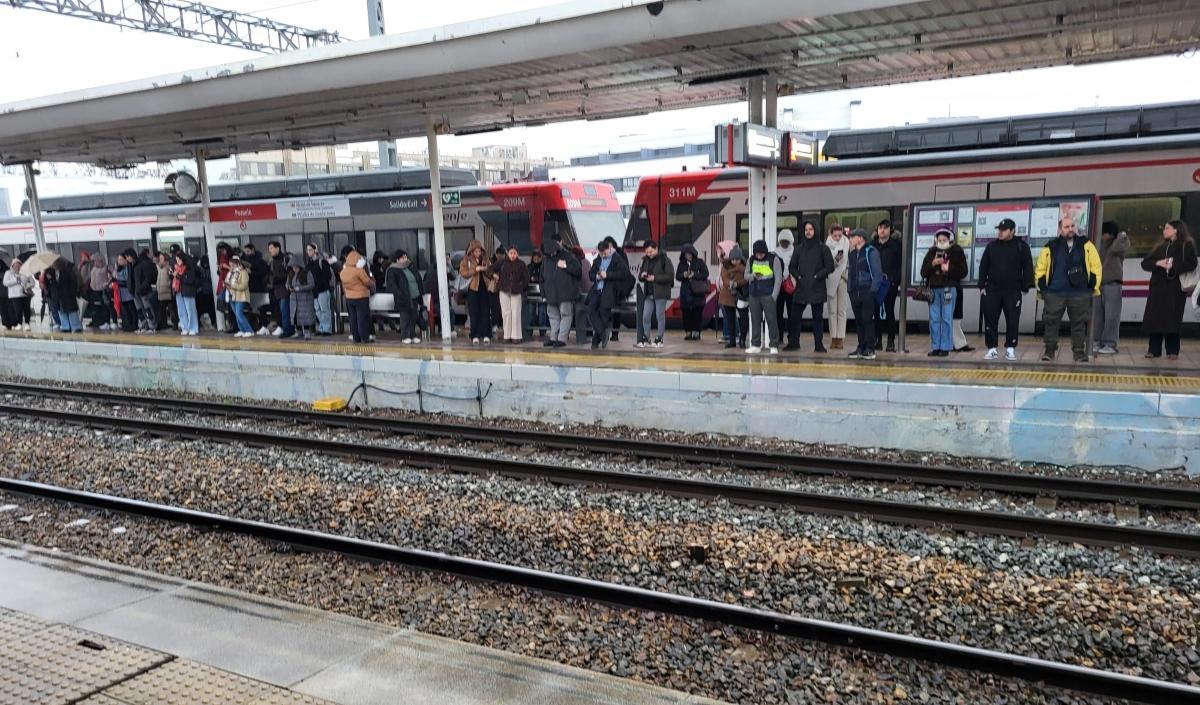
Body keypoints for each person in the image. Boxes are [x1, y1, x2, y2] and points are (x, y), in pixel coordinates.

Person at [1034, 216, 1102, 362]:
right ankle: (1049, 351)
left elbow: (1096, 266)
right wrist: (1044, 289)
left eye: (1072, 226)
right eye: (1066, 227)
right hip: (1054, 293)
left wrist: (1092, 286)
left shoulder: (1086, 245)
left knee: (1079, 324)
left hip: (1079, 293)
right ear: (1060, 229)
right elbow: (1040, 268)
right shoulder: (1050, 246)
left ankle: (1079, 353)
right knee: (1051, 323)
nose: (1070, 229)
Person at [977, 218, 1034, 361]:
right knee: (990, 320)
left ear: (1012, 231)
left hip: (1013, 291)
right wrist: (981, 286)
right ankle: (991, 349)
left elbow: (1028, 267)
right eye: (999, 229)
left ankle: (1010, 348)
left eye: (1004, 230)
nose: (1000, 232)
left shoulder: (1021, 246)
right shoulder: (992, 246)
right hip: (992, 290)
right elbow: (983, 266)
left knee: (1013, 320)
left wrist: (1025, 286)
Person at [1141, 220, 1198, 359]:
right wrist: (1158, 263)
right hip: (1158, 288)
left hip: (1175, 288)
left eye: (1167, 228)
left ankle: (1172, 350)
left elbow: (1192, 264)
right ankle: (1154, 349)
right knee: (1155, 318)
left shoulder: (1186, 245)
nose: (1164, 231)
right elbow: (1145, 263)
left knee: (1172, 319)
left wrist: (1174, 266)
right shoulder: (1161, 246)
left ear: (1176, 230)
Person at [787, 222, 835, 352]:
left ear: (816, 230)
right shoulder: (799, 248)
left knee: (817, 318)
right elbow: (792, 267)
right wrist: (798, 277)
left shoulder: (823, 248)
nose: (808, 232)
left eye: (811, 229)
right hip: (801, 287)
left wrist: (817, 276)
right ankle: (794, 342)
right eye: (806, 229)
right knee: (795, 317)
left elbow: (830, 266)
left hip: (817, 287)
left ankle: (818, 345)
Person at [920, 229, 968, 357]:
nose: (941, 242)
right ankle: (935, 346)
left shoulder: (957, 251)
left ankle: (946, 347)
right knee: (934, 318)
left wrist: (949, 268)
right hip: (933, 289)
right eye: (939, 240)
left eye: (944, 240)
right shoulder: (932, 252)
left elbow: (963, 271)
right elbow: (923, 272)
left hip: (949, 288)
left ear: (950, 240)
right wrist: (932, 264)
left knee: (947, 318)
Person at [587, 238, 633, 349]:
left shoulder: (617, 258)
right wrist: (597, 276)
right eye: (600, 253)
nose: (603, 255)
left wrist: (607, 275)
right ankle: (602, 334)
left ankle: (595, 341)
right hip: (597, 289)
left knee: (604, 315)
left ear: (609, 248)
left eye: (604, 253)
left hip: (610, 290)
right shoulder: (598, 259)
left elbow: (624, 273)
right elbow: (591, 274)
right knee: (590, 310)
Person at [1093, 221, 1129, 355]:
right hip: (1099, 284)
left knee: (1111, 315)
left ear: (1109, 233)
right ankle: (1096, 341)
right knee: (1097, 316)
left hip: (1113, 283)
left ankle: (1110, 344)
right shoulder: (1101, 244)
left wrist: (1121, 235)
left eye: (1104, 233)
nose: (1102, 236)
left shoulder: (1120, 242)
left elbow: (1115, 249)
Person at [846, 228, 882, 360]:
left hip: (867, 291)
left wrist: (872, 291)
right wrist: (850, 289)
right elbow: (850, 272)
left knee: (867, 320)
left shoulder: (871, 251)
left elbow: (877, 273)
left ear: (861, 238)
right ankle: (861, 347)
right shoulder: (852, 254)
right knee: (859, 321)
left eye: (853, 237)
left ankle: (870, 348)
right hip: (855, 291)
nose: (850, 239)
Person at [541, 234, 581, 348]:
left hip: (565, 293)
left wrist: (565, 266)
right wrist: (543, 293)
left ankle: (562, 339)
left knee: (565, 315)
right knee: (553, 316)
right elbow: (542, 278)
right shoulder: (546, 259)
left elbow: (578, 271)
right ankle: (554, 338)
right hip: (551, 293)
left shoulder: (568, 256)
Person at [870, 219, 903, 352]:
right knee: (875, 313)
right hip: (875, 283)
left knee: (889, 312)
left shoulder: (896, 245)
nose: (882, 230)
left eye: (885, 227)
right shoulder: (872, 245)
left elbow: (900, 265)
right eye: (880, 228)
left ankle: (890, 341)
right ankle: (877, 339)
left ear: (890, 230)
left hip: (890, 284)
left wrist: (895, 281)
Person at [744, 240, 782, 354]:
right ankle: (755, 344)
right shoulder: (750, 260)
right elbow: (745, 275)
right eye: (757, 254)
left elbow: (778, 278)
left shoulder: (773, 259)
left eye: (761, 253)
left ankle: (774, 344)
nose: (759, 256)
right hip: (754, 294)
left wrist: (774, 296)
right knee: (755, 320)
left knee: (771, 320)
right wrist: (752, 276)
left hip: (768, 294)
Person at [635, 240, 673, 348]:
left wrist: (655, 278)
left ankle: (659, 338)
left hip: (661, 292)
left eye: (651, 252)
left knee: (659, 316)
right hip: (649, 292)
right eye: (647, 252)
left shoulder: (665, 260)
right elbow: (640, 276)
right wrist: (642, 275)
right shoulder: (645, 260)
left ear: (656, 249)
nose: (649, 254)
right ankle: (646, 338)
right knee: (645, 316)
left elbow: (670, 276)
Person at [458, 240, 494, 344]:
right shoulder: (466, 259)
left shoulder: (486, 258)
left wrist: (485, 269)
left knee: (485, 312)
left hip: (484, 288)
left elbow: (491, 270)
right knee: (474, 313)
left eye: (479, 251)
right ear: (471, 251)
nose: (478, 253)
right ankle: (475, 335)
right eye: (476, 251)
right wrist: (475, 270)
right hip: (472, 289)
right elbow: (463, 272)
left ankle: (486, 334)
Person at [385, 250, 424, 344]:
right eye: (403, 257)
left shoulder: (410, 267)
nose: (405, 259)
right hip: (403, 297)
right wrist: (399, 294)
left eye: (406, 257)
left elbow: (418, 279)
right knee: (405, 317)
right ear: (397, 260)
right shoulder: (392, 270)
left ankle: (412, 335)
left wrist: (421, 292)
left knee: (413, 316)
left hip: (414, 296)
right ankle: (405, 336)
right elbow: (392, 285)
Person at [494, 245, 528, 344]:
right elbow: (490, 269)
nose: (512, 255)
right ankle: (507, 335)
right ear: (507, 253)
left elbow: (526, 278)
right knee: (506, 313)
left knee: (516, 313)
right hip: (504, 290)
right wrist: (494, 275)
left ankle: (516, 336)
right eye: (511, 253)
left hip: (516, 291)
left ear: (517, 254)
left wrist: (520, 286)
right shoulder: (502, 262)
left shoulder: (521, 264)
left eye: (514, 253)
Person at [340, 249, 374, 344]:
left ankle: (356, 338)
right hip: (361, 297)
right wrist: (372, 282)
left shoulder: (343, 271)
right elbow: (367, 282)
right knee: (362, 318)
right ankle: (364, 338)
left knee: (353, 318)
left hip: (349, 297)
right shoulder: (359, 271)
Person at [675, 244, 709, 341]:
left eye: (690, 254)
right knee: (686, 313)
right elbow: (677, 276)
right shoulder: (681, 264)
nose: (688, 256)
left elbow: (705, 274)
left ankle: (696, 332)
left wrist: (694, 275)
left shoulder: (700, 262)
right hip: (685, 292)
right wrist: (683, 275)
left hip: (697, 292)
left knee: (697, 312)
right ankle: (688, 332)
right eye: (686, 254)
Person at [825, 224, 850, 350]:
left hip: (843, 279)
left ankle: (840, 338)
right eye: (835, 235)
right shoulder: (826, 246)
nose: (838, 238)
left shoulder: (847, 243)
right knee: (832, 311)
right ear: (831, 234)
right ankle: (833, 338)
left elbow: (848, 260)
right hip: (831, 279)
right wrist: (836, 259)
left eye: (840, 235)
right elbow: (828, 262)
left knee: (842, 311)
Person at [718, 243, 748, 349]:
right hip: (727, 295)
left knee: (744, 318)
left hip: (741, 295)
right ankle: (732, 340)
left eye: (737, 259)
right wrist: (730, 283)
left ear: (741, 259)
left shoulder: (745, 267)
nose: (735, 261)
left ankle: (742, 340)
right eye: (733, 259)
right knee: (730, 319)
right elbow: (724, 278)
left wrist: (737, 284)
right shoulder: (725, 266)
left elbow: (746, 279)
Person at [264, 241, 293, 338]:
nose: (270, 251)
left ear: (277, 248)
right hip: (276, 290)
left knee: (285, 310)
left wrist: (277, 278)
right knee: (280, 310)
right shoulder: (272, 261)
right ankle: (284, 328)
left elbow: (289, 273)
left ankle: (288, 330)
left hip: (285, 289)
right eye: (269, 249)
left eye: (271, 248)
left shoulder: (285, 259)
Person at [306, 244, 334, 336]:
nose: (308, 252)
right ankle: (322, 327)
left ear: (315, 250)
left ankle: (327, 329)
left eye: (310, 250)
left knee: (324, 309)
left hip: (323, 289)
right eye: (307, 250)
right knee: (317, 310)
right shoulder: (309, 264)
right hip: (314, 291)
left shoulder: (322, 262)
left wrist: (321, 283)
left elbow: (327, 275)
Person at [287, 255, 316, 340]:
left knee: (305, 316)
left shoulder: (307, 273)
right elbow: (287, 284)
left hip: (305, 299)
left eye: (295, 267)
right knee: (295, 316)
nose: (294, 268)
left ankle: (307, 332)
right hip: (294, 299)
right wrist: (289, 288)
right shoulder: (291, 274)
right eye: (293, 267)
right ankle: (299, 332)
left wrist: (300, 288)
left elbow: (311, 285)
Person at [224, 255, 254, 337]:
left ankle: (249, 330)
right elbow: (227, 281)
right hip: (231, 295)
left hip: (241, 296)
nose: (231, 266)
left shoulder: (243, 272)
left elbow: (244, 286)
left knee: (239, 313)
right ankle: (242, 330)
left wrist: (232, 286)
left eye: (233, 264)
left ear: (238, 263)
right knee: (236, 314)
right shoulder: (231, 273)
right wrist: (226, 284)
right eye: (230, 264)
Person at [774, 229, 796, 337]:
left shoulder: (795, 252)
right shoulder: (775, 252)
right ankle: (779, 335)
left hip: (791, 285)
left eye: (786, 241)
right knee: (778, 312)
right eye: (782, 241)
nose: (784, 243)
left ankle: (791, 335)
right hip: (779, 285)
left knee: (792, 312)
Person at [171, 250, 200, 336]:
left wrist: (179, 276)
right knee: (181, 310)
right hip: (178, 290)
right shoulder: (176, 268)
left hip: (188, 291)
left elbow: (190, 280)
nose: (177, 261)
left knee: (190, 310)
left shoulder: (189, 268)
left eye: (179, 259)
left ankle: (193, 328)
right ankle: (185, 327)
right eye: (176, 259)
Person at [53, 260, 83, 333]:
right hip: (61, 296)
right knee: (62, 311)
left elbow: (72, 284)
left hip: (67, 295)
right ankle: (67, 326)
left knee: (71, 311)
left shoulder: (67, 272)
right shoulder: (56, 273)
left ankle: (74, 326)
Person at [133, 248, 159, 333]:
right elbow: (150, 277)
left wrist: (138, 288)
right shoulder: (147, 264)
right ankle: (151, 325)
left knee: (143, 309)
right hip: (144, 290)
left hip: (141, 290)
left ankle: (147, 325)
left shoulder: (138, 265)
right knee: (147, 308)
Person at [3, 259, 33, 331]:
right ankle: (19, 323)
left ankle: (27, 323)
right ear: (12, 266)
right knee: (18, 310)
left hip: (25, 294)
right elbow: (5, 283)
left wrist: (27, 285)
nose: (17, 267)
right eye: (15, 266)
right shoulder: (8, 273)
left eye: (19, 265)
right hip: (15, 295)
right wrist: (16, 280)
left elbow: (32, 282)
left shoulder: (26, 272)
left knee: (27, 309)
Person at [114, 251, 137, 332]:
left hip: (128, 293)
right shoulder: (118, 269)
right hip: (121, 294)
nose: (119, 261)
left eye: (121, 259)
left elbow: (128, 280)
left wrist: (117, 282)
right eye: (118, 260)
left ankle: (133, 324)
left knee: (131, 309)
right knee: (124, 310)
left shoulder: (128, 268)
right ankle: (126, 324)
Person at [155, 252, 175, 330]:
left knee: (171, 309)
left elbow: (171, 278)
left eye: (161, 258)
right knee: (162, 310)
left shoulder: (168, 267)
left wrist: (169, 284)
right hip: (161, 292)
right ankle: (163, 324)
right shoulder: (160, 268)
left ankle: (175, 323)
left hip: (167, 291)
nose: (160, 260)